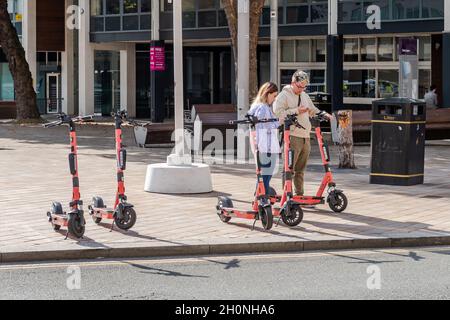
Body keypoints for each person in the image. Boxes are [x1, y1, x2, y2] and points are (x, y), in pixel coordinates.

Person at [273, 70, 332, 197]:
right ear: (293, 83)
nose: (302, 89)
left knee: (300, 170)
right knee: (289, 169)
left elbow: (312, 110)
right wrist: (296, 111)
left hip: (305, 135)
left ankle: (299, 195)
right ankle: (287, 197)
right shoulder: (283, 95)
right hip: (292, 136)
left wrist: (322, 114)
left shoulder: (304, 95)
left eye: (304, 86)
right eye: (300, 86)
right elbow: (277, 113)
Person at [247, 82, 280, 195]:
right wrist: (278, 121)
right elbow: (263, 127)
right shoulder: (263, 108)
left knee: (262, 178)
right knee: (265, 178)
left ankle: (259, 200)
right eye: (274, 96)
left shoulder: (257, 106)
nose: (275, 99)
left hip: (262, 147)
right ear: (267, 93)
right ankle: (262, 201)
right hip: (267, 147)